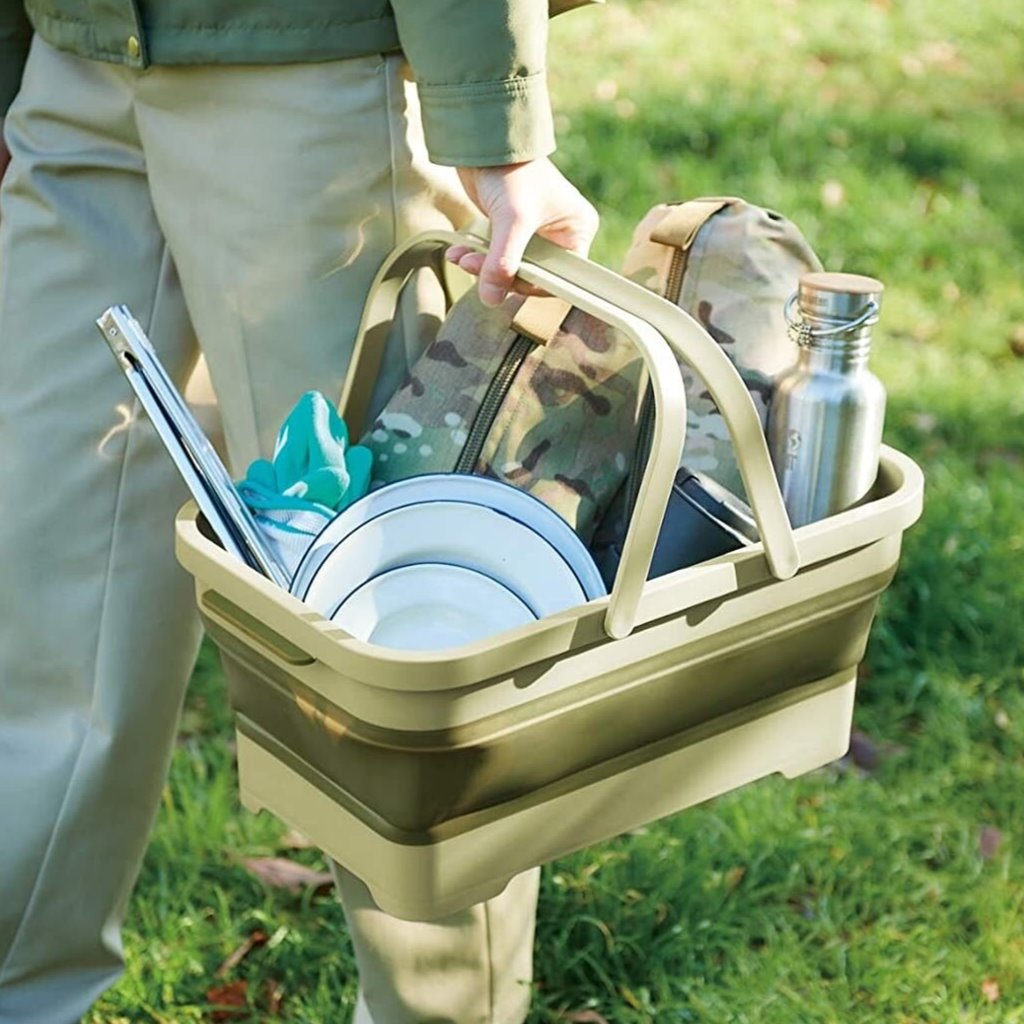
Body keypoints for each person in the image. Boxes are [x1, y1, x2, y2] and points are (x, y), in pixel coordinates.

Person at [0, 2, 599, 1021]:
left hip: (305, 71)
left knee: (393, 616)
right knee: (44, 576)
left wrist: (489, 123)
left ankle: (437, 1010)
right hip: (75, 64)